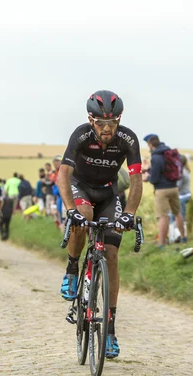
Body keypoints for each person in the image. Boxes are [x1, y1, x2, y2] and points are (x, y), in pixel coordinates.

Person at [56, 90, 143, 358]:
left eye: (112, 123)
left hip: (107, 192)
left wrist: (129, 213)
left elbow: (137, 182)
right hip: (80, 187)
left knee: (112, 254)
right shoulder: (80, 135)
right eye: (102, 123)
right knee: (83, 216)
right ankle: (72, 268)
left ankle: (110, 330)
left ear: (119, 120)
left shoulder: (128, 139)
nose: (107, 129)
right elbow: (63, 175)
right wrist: (70, 210)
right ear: (91, 120)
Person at [143, 134, 186, 246]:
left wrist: (147, 177)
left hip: (162, 190)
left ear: (151, 144)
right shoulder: (169, 153)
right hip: (174, 187)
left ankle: (161, 243)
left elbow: (154, 178)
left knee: (163, 216)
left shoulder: (156, 157)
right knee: (177, 213)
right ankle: (183, 237)